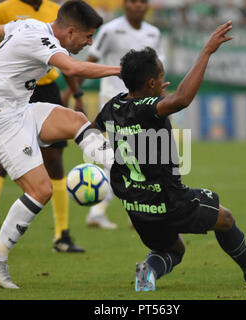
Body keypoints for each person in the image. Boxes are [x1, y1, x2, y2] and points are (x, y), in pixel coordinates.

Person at [0, 0, 120, 288]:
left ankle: (121, 169)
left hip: (19, 111)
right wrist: (120, 70)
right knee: (41, 190)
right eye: (87, 37)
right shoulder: (41, 39)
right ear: (71, 31)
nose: (89, 42)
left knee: (75, 120)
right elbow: (72, 68)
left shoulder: (30, 24)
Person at [87, 22, 246, 292]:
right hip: (169, 200)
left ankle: (149, 271)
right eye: (161, 76)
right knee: (225, 219)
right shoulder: (149, 108)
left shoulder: (112, 106)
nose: (165, 81)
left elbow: (95, 131)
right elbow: (182, 99)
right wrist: (207, 51)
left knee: (173, 248)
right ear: (151, 82)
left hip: (137, 207)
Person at [0, 0, 85, 255]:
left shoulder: (56, 11)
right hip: (12, 89)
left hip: (46, 87)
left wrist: (77, 94)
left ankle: (62, 235)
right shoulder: (4, 9)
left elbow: (64, 56)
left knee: (55, 161)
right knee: (0, 163)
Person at [64, 0, 164, 230]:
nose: (138, 6)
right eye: (133, 1)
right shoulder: (110, 30)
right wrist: (73, 92)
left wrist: (161, 98)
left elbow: (157, 70)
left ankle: (117, 211)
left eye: (142, 2)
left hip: (143, 103)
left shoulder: (154, 33)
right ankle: (126, 211)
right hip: (114, 101)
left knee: (138, 160)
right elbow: (90, 60)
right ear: (125, 5)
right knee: (123, 161)